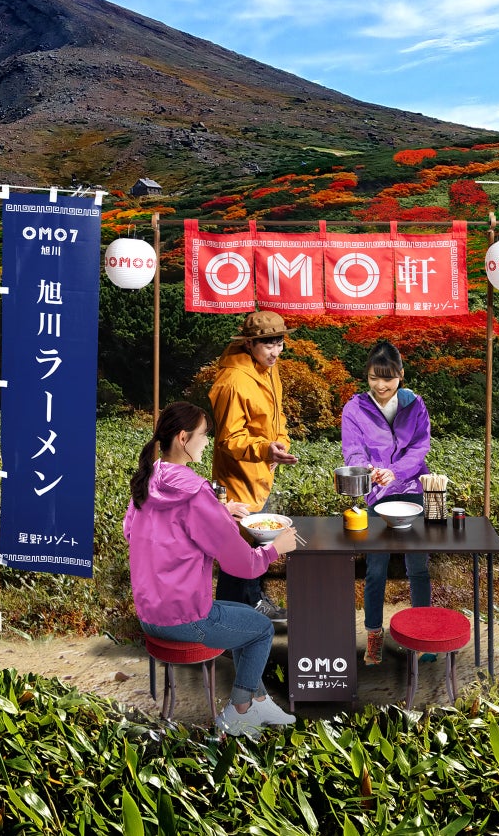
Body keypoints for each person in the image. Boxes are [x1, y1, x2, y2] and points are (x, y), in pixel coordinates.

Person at [123, 400, 299, 737]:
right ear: (184, 438)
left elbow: (131, 530)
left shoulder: (148, 479)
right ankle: (239, 711)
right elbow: (244, 566)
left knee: (238, 616)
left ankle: (258, 698)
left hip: (150, 613)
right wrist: (276, 548)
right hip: (186, 619)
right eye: (205, 435)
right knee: (260, 628)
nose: (208, 442)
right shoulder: (194, 493)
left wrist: (217, 510)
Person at [340, 340, 433, 666]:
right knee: (376, 568)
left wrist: (394, 472)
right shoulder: (354, 409)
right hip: (376, 495)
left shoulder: (415, 405)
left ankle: (424, 634)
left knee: (417, 566)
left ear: (400, 375)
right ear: (366, 377)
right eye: (374, 378)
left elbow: (421, 447)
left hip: (411, 489)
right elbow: (352, 450)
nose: (381, 386)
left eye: (388, 378)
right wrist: (366, 468)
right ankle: (374, 635)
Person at [207, 310, 301, 620]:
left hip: (261, 475)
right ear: (249, 343)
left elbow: (276, 415)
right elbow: (229, 439)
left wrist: (280, 444)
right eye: (268, 345)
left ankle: (256, 603)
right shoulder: (233, 382)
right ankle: (231, 623)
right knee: (239, 555)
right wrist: (265, 451)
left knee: (258, 549)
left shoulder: (267, 367)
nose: (276, 352)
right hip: (237, 480)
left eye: (279, 343)